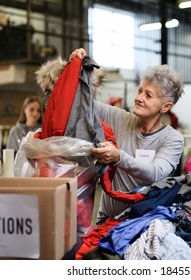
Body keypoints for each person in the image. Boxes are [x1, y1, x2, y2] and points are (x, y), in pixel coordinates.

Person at [71, 48, 185, 221]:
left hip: (140, 225)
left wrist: (118, 157)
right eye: (140, 91)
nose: (139, 97)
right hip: (106, 220)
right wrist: (77, 67)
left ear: (165, 107)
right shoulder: (120, 118)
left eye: (148, 95)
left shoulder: (173, 139)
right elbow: (84, 103)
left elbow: (155, 173)